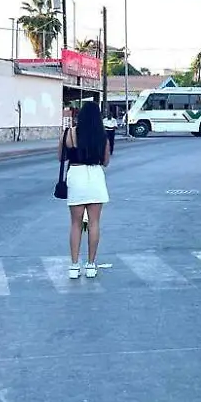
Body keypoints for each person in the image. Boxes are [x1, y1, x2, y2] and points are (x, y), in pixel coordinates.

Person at [63, 100, 111, 279]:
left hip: (76, 175)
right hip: (95, 176)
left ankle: (74, 266)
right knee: (94, 223)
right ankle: (91, 265)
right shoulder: (102, 135)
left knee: (75, 224)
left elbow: (59, 156)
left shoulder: (69, 133)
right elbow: (105, 161)